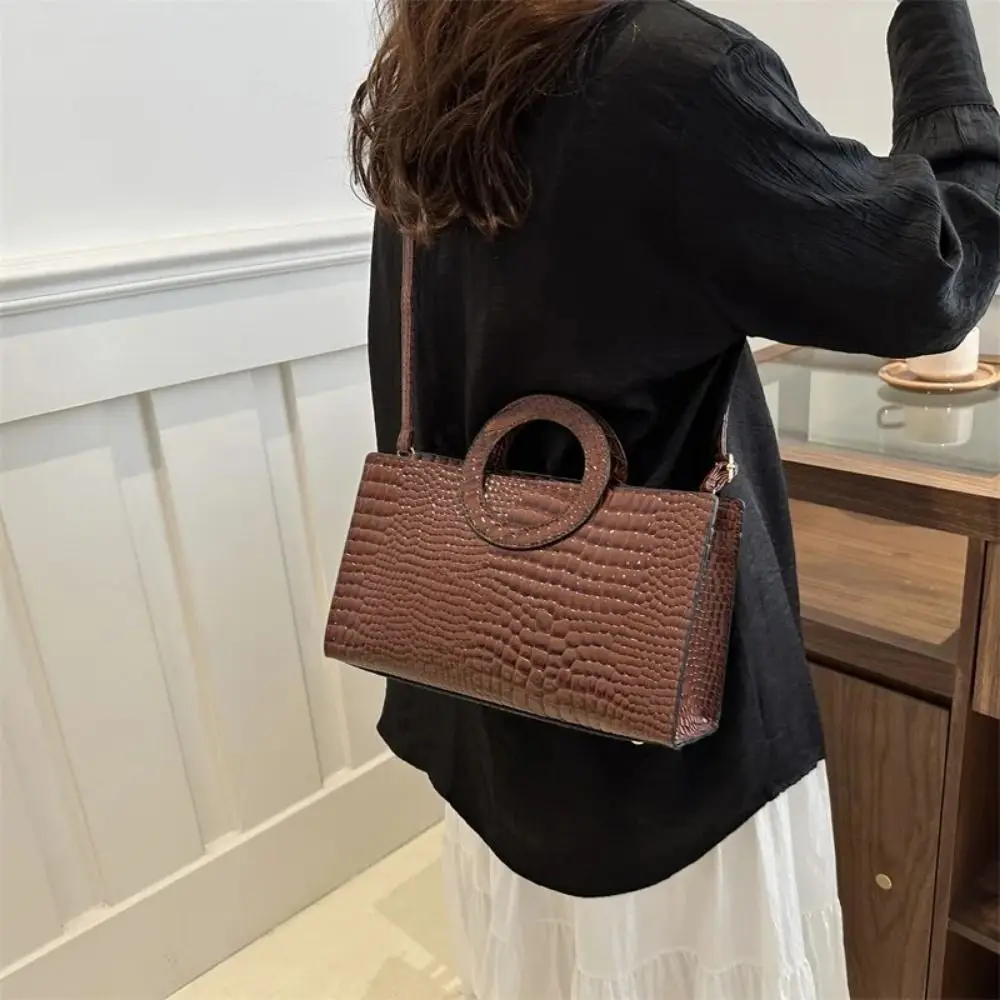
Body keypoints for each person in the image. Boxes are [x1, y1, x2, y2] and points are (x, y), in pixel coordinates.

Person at [350, 1, 1000, 997]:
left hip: (487, 713)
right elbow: (936, 275)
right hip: (661, 752)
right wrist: (934, 23)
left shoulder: (433, 66)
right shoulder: (676, 75)